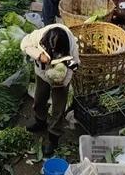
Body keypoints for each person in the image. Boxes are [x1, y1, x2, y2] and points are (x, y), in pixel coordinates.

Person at [21, 22, 80, 153]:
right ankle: (40, 121)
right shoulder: (40, 36)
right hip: (42, 73)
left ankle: (54, 137)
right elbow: (24, 44)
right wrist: (38, 55)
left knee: (58, 107)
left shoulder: (71, 46)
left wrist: (63, 81)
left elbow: (74, 67)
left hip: (60, 79)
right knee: (39, 97)